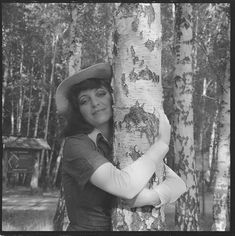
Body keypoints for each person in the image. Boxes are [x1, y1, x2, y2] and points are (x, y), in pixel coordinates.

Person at [55, 62, 186, 231]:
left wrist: (152, 196)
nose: (95, 103)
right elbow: (125, 186)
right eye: (84, 101)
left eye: (100, 94)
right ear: (78, 111)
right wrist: (161, 144)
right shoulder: (77, 145)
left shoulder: (126, 141)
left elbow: (178, 184)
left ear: (112, 97)